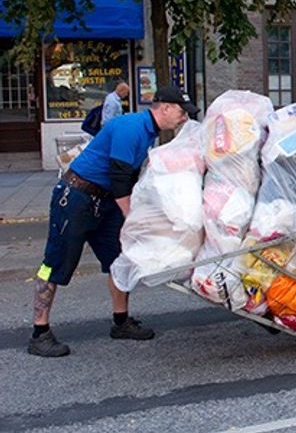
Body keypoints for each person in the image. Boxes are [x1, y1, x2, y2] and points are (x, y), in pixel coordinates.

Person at [28, 85, 199, 357]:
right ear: (164, 108)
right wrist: (132, 217)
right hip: (76, 198)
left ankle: (121, 322)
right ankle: (40, 332)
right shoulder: (130, 127)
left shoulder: (149, 133)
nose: (184, 119)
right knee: (55, 263)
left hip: (104, 201)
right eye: (181, 112)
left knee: (119, 259)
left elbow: (130, 180)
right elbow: (119, 177)